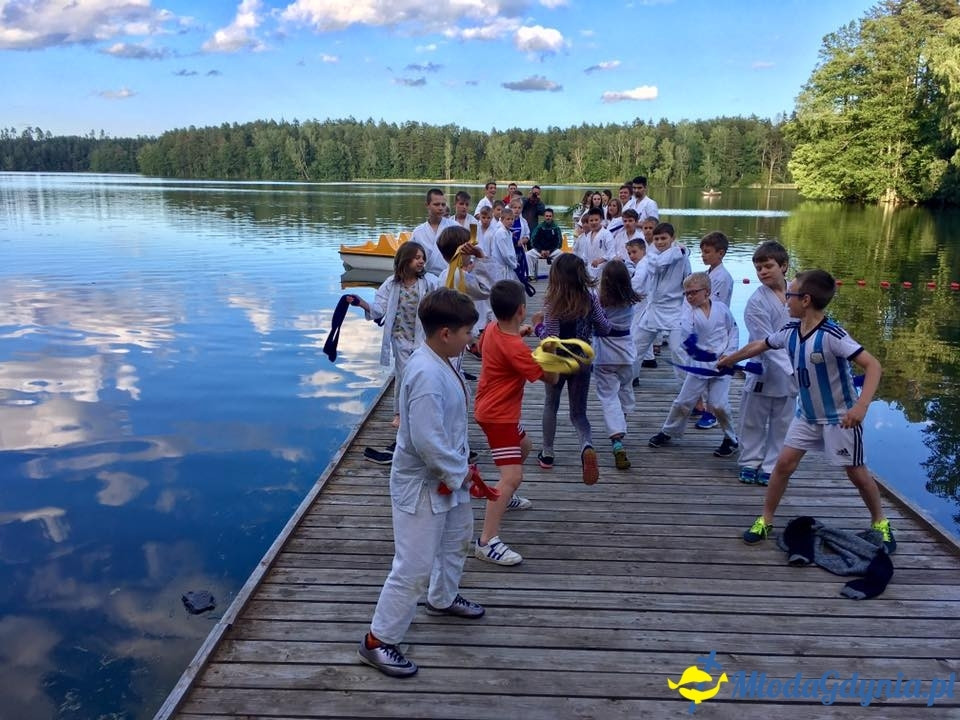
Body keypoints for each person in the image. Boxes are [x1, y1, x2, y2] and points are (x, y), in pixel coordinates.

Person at [717, 270, 896, 553]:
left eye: (791, 295)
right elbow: (759, 345)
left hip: (841, 418)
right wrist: (730, 359)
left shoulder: (832, 335)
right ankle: (766, 520)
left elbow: (873, 366)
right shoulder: (789, 330)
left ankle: (881, 524)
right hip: (807, 416)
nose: (786, 299)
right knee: (783, 465)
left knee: (857, 473)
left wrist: (861, 407)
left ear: (806, 300)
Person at [357, 288, 483, 678]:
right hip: (424, 482)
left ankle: (442, 598)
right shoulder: (427, 374)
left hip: (450, 474)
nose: (471, 339)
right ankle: (378, 641)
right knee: (412, 565)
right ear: (444, 333)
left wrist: (460, 472)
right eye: (466, 332)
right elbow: (426, 441)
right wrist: (461, 474)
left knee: (458, 538)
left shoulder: (443, 359)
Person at [474, 280, 559, 566]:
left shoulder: (491, 330)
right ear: (522, 309)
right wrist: (546, 340)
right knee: (512, 477)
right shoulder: (516, 349)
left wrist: (523, 331)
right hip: (499, 416)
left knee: (525, 444)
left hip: (489, 409)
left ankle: (505, 497)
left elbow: (505, 343)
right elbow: (551, 377)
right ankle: (486, 542)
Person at [532, 253, 612, 484]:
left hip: (557, 362)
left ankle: (547, 453)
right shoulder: (590, 298)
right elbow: (605, 328)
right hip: (582, 360)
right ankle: (586, 446)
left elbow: (551, 339)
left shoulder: (552, 302)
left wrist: (537, 326)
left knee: (551, 405)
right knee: (579, 414)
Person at [648, 272, 740, 456]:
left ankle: (731, 439)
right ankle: (668, 431)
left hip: (722, 365)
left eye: (693, 292)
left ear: (707, 291)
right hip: (699, 365)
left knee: (719, 404)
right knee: (683, 402)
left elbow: (733, 331)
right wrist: (696, 352)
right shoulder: (688, 313)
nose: (689, 297)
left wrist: (729, 354)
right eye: (686, 293)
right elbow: (686, 338)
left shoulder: (722, 309)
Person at [354, 241, 440, 430]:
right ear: (405, 259)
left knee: (422, 372)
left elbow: (441, 300)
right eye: (417, 258)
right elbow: (378, 310)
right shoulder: (391, 284)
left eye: (423, 258)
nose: (421, 261)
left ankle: (422, 409)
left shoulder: (429, 282)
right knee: (403, 374)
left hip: (423, 337)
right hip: (400, 337)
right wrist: (362, 304)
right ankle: (400, 413)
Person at [736, 241, 798, 486]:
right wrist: (792, 370)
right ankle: (750, 461)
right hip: (764, 367)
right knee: (753, 419)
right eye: (758, 268)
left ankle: (772, 465)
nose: (762, 272)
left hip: (792, 368)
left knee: (783, 422)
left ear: (783, 266)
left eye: (768, 266)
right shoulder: (756, 302)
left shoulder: (798, 293)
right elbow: (767, 342)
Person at [594, 260, 641, 469]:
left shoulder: (598, 300)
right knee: (624, 388)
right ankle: (624, 420)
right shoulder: (631, 299)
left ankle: (617, 439)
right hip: (627, 355)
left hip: (605, 355)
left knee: (608, 397)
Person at [632, 222, 691, 380]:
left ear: (673, 238)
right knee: (637, 346)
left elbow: (688, 281)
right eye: (656, 238)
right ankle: (630, 379)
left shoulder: (683, 257)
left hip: (674, 309)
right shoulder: (651, 255)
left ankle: (688, 387)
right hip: (653, 308)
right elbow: (655, 267)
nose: (659, 242)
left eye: (663, 238)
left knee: (677, 350)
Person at [693, 231, 735, 430]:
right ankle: (701, 406)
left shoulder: (723, 277)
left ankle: (712, 413)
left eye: (708, 252)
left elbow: (715, 304)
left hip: (717, 329)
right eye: (702, 252)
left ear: (721, 253)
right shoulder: (709, 274)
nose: (703, 255)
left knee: (714, 373)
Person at [412, 188, 457, 276]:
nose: (440, 208)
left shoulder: (454, 227)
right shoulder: (418, 232)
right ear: (427, 205)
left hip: (450, 276)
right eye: (436, 204)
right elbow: (409, 257)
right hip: (426, 277)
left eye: (443, 205)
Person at [573, 207, 616, 280]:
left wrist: (600, 260)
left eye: (596, 220)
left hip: (603, 272)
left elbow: (611, 254)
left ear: (601, 220)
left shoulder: (607, 234)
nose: (594, 222)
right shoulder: (588, 236)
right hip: (590, 272)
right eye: (591, 220)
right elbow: (585, 256)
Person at [526, 207, 564, 280]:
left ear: (552, 217)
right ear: (544, 216)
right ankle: (530, 275)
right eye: (547, 216)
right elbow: (533, 241)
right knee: (528, 255)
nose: (548, 218)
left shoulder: (556, 228)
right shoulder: (539, 227)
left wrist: (550, 251)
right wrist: (541, 250)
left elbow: (559, 243)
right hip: (540, 251)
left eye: (550, 216)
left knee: (561, 255)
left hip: (552, 251)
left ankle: (559, 276)